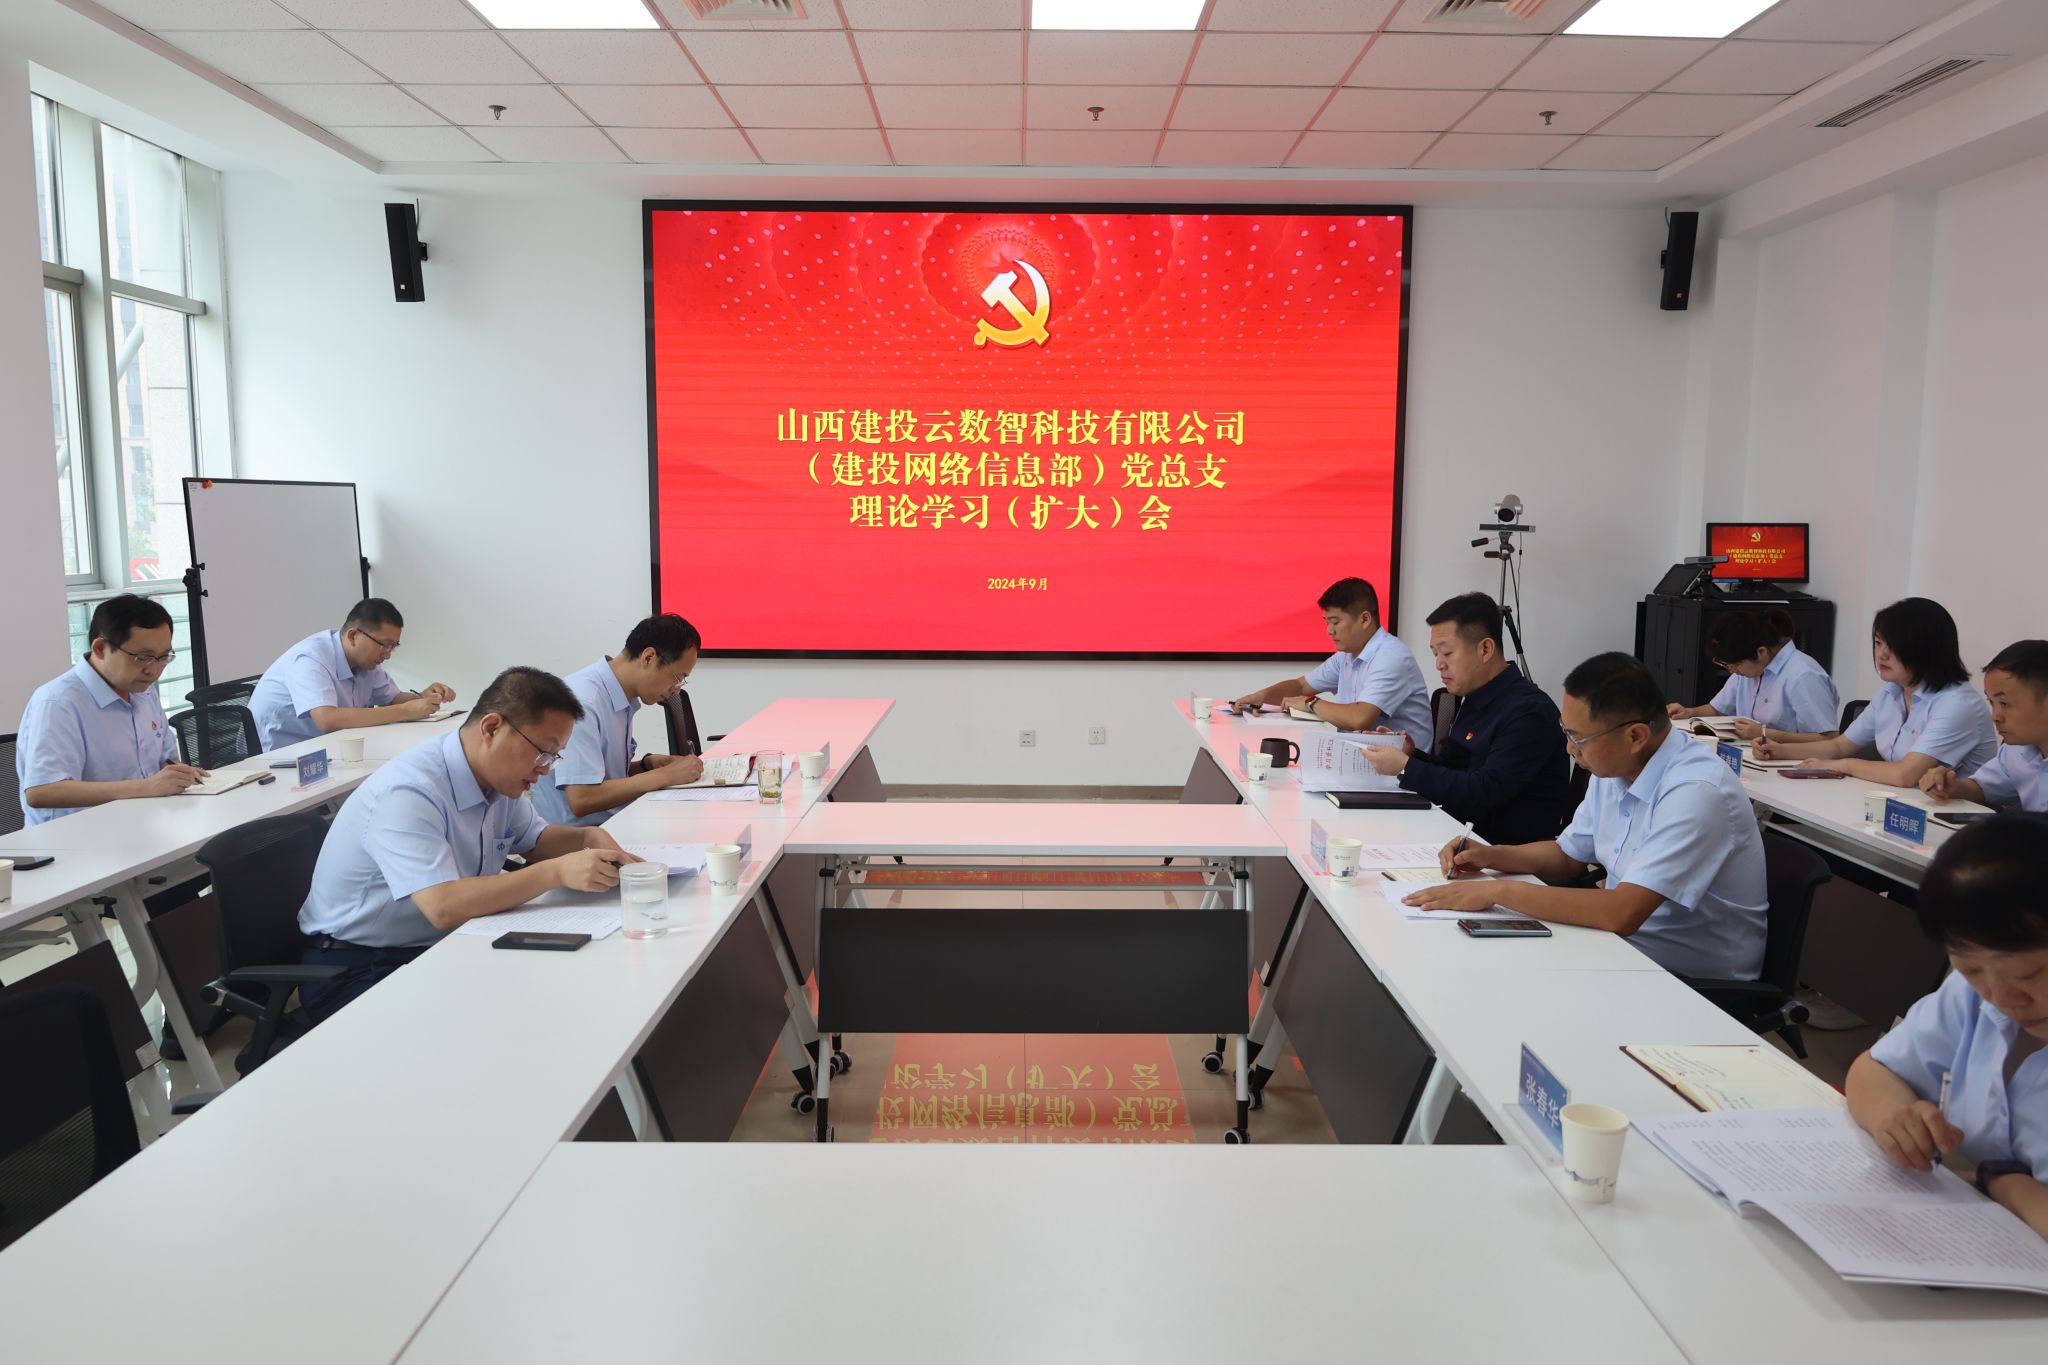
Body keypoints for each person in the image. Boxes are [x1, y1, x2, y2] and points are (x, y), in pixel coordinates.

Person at [296, 666, 635, 1021]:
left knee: (564, 989)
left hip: (441, 943)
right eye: (542, 753)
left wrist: (586, 838)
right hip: (356, 967)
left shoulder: (497, 778)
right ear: (492, 728)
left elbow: (536, 840)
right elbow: (442, 906)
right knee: (505, 1018)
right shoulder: (410, 791)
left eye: (554, 756)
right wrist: (557, 872)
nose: (546, 769)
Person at [1403, 652, 1768, 980]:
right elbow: (1568, 856)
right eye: (1567, 732)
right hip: (1617, 947)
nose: (1569, 748)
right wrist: (1492, 855)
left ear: (1636, 736)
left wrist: (1497, 891)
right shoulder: (1616, 767)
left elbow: (1621, 913)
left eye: (1579, 738)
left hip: (1687, 979)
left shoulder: (1696, 791)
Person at [1845, 813, 2048, 1240]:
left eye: (2028, 974)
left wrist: (2001, 1182)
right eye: (1971, 969)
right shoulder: (1974, 995)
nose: (2001, 997)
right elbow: (1872, 1071)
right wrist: (1895, 1119)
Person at [1361, 592, 1568, 845]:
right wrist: (1412, 755)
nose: (1439, 664)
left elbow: (1486, 790)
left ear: (1485, 649)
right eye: (1435, 654)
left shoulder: (1529, 711)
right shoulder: (1473, 697)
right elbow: (1453, 769)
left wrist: (1405, 767)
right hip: (1457, 834)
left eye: (1447, 653)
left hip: (1503, 852)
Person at [1754, 597, 1998, 787]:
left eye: (1893, 646)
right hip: (1906, 804)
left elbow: (1905, 775)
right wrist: (1779, 750)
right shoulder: (1891, 692)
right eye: (1878, 643)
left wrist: (1841, 766)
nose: (1881, 654)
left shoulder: (1957, 703)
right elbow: (1840, 746)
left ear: (1926, 649)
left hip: (1960, 823)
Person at [16, 594, 208, 825]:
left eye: (163, 657)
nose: (154, 670)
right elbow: (41, 791)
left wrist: (179, 774)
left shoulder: (144, 690)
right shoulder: (58, 703)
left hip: (142, 823)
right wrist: (145, 787)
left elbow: (164, 760)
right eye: (143, 657)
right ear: (100, 648)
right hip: (75, 837)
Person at [532, 614, 708, 826]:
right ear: (649, 658)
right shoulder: (584, 702)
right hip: (576, 838)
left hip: (612, 823)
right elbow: (582, 798)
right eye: (678, 677)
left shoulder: (620, 696)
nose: (676, 690)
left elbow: (600, 776)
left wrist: (646, 765)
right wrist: (665, 775)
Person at [1230, 577, 1433, 746]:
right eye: (1326, 622)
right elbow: (1301, 686)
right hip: (1362, 759)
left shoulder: (1391, 656)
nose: (1329, 631)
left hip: (1403, 770)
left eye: (1335, 622)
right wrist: (1261, 696)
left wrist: (1311, 703)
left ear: (1364, 619)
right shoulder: (1346, 656)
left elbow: (1360, 718)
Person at [248, 597, 456, 751]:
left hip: (327, 750)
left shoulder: (366, 662)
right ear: (354, 636)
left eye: (393, 647)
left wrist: (423, 697)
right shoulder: (311, 659)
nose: (387, 655)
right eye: (384, 645)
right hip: (277, 757)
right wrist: (405, 711)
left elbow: (393, 698)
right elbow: (327, 720)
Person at [1667, 608, 1839, 743]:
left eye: (1735, 664)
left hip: (1796, 765)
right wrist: (1689, 712)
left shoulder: (1803, 676)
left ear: (1761, 652)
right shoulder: (1750, 669)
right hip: (1754, 755)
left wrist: (1764, 734)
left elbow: (1829, 739)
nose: (1732, 670)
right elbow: (1718, 709)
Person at [1921, 640, 2048, 813]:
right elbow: (1983, 788)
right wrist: (1952, 787)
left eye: (2004, 703)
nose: (1995, 716)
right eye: (1992, 702)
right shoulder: (2016, 750)